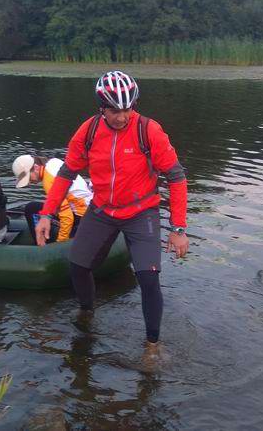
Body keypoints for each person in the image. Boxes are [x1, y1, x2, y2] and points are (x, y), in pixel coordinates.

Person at [35, 70, 190, 351]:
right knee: (78, 266)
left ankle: (152, 346)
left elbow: (176, 176)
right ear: (101, 107)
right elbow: (67, 172)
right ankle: (87, 312)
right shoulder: (89, 131)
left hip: (142, 211)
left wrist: (178, 228)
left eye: (127, 108)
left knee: (148, 278)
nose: (122, 116)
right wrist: (46, 214)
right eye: (115, 110)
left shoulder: (148, 130)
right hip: (102, 209)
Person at [12, 154, 92, 243]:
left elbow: (67, 217)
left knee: (30, 208)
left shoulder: (48, 181)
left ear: (36, 167)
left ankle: (40, 244)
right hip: (88, 209)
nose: (29, 182)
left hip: (81, 217)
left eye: (29, 178)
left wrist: (60, 242)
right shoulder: (53, 162)